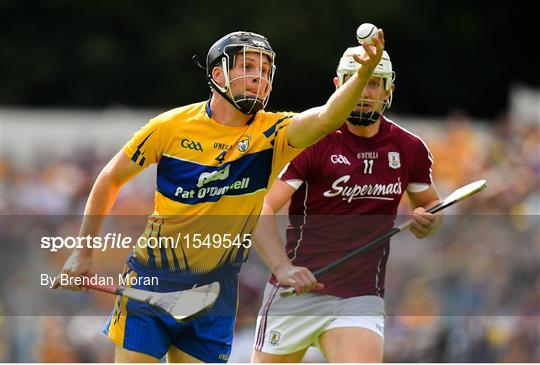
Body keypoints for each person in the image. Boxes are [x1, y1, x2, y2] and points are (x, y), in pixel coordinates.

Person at [53, 30, 385, 363]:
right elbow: (110, 178)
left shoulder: (273, 134)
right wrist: (83, 252)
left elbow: (328, 116)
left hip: (217, 292)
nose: (259, 77)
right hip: (152, 278)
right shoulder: (169, 127)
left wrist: (362, 75)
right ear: (218, 74)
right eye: (249, 66)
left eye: (266, 71)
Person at [251, 45, 444, 363]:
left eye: (374, 82)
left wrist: (429, 221)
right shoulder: (311, 140)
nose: (364, 91)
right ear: (338, 86)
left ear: (388, 90)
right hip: (298, 292)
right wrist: (281, 267)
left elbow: (431, 208)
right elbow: (261, 206)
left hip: (359, 297)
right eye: (356, 80)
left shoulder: (409, 149)